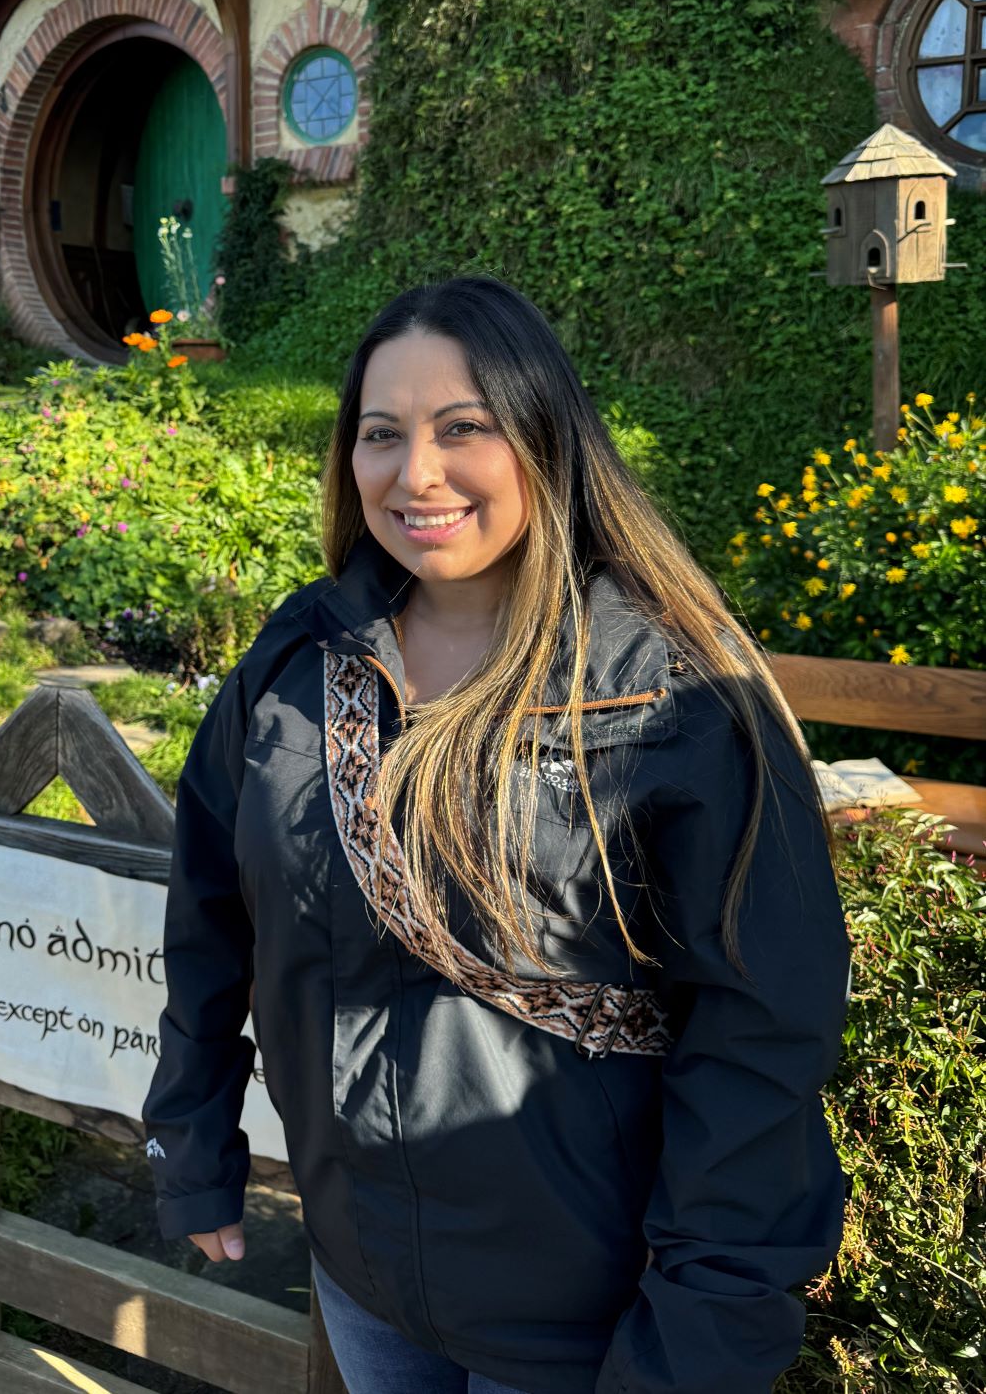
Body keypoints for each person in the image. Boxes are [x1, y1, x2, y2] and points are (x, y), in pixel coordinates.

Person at [140, 276, 851, 1394]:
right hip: (362, 1273)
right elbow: (210, 911)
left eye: (461, 427)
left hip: (586, 1317)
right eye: (382, 434)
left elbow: (761, 1030)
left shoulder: (671, 694)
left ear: (544, 436)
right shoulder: (300, 659)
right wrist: (192, 1144)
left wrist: (698, 1337)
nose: (415, 473)